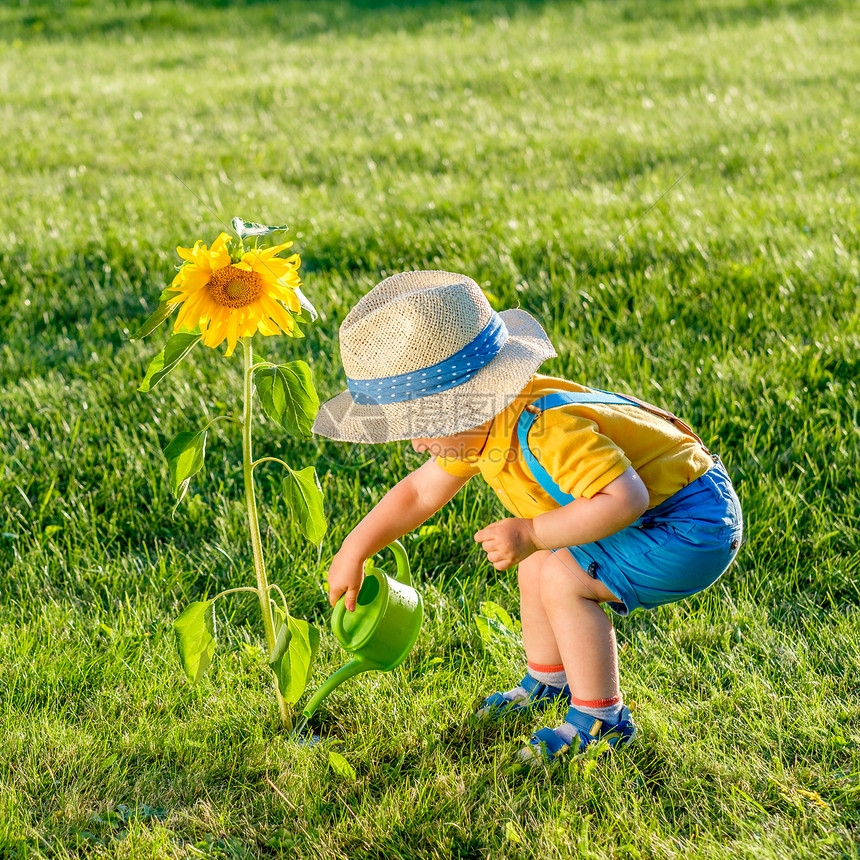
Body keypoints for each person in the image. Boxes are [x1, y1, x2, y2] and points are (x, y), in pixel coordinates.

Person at [313, 270, 743, 764]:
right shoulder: (481, 423)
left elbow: (627, 500)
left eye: (423, 423)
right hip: (657, 510)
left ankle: (602, 721)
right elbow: (418, 494)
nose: (415, 441)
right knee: (537, 565)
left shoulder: (546, 431)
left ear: (467, 402)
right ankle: (548, 682)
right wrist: (356, 547)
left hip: (687, 523)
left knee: (561, 576)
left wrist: (533, 530)